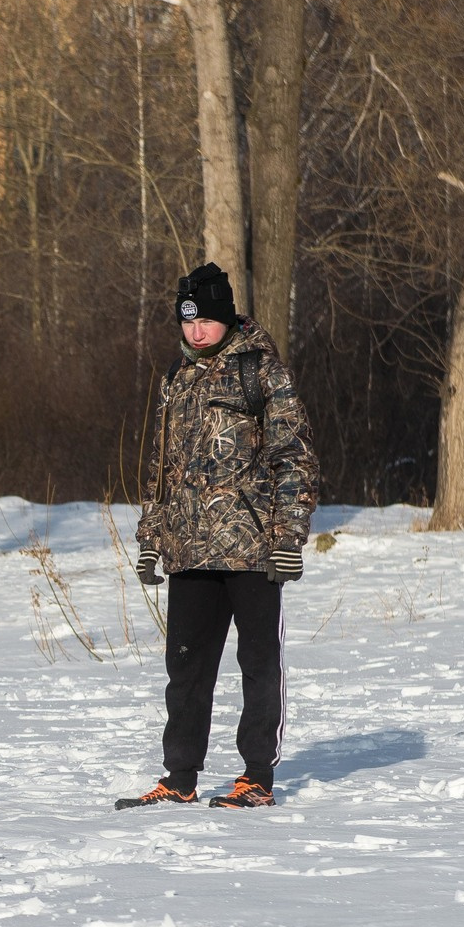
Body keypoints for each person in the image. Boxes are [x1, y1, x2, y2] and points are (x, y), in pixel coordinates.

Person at [119, 261, 320, 811]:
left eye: (207, 320)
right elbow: (161, 470)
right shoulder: (175, 379)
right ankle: (180, 776)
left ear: (226, 317)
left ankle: (257, 777)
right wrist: (152, 538)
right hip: (190, 551)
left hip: (254, 550)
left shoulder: (263, 372)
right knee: (184, 669)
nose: (197, 331)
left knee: (258, 665)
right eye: (188, 321)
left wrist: (289, 535)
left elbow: (295, 458)